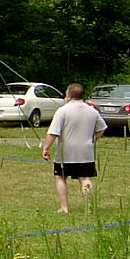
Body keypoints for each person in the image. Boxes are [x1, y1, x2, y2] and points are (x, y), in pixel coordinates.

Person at [41, 83, 107, 214]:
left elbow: (53, 132)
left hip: (66, 153)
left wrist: (45, 148)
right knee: (85, 178)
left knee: (60, 176)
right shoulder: (92, 111)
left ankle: (64, 207)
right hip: (86, 152)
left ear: (69, 95)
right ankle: (88, 206)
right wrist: (92, 139)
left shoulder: (63, 111)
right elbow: (102, 129)